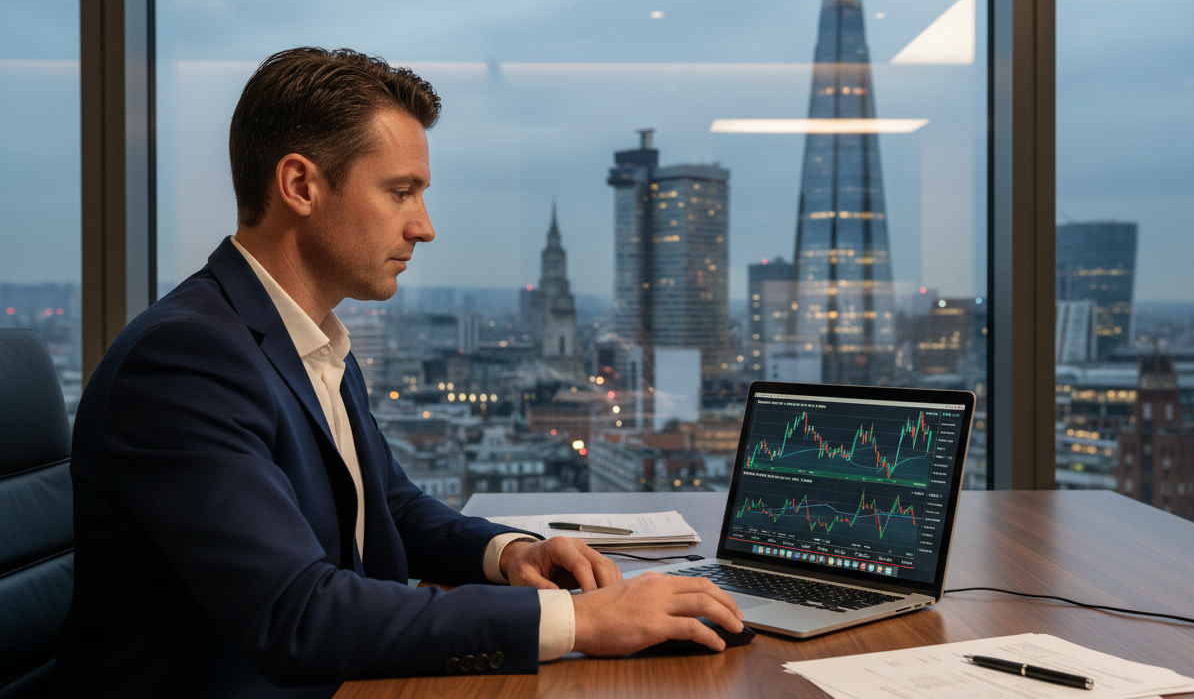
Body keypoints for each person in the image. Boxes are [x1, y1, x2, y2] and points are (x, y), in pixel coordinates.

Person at [54, 47, 743, 698]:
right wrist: (583, 623)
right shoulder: (186, 359)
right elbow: (296, 615)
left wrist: (508, 555)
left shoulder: (307, 335)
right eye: (401, 191)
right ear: (300, 185)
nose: (425, 226)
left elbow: (389, 506)